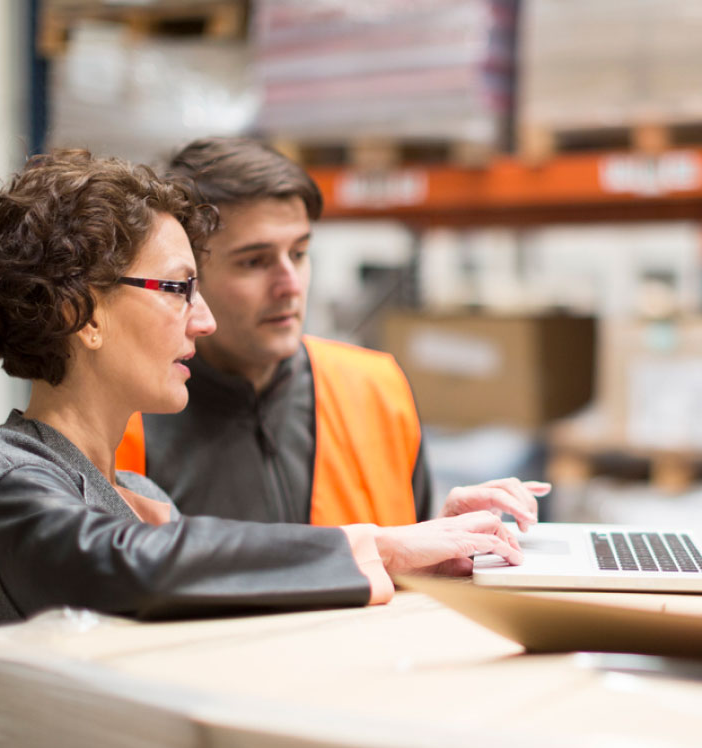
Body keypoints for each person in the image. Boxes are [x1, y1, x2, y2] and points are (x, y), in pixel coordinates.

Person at [0, 149, 532, 637]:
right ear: (81, 313)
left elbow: (235, 586)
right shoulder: (4, 479)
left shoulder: (136, 493)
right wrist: (380, 545)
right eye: (177, 288)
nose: (204, 320)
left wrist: (423, 549)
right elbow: (136, 566)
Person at [116, 136, 550, 528]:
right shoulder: (127, 421)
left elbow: (404, 570)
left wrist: (442, 535)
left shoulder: (375, 390)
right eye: (254, 261)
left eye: (300, 253)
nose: (290, 284)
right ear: (189, 276)